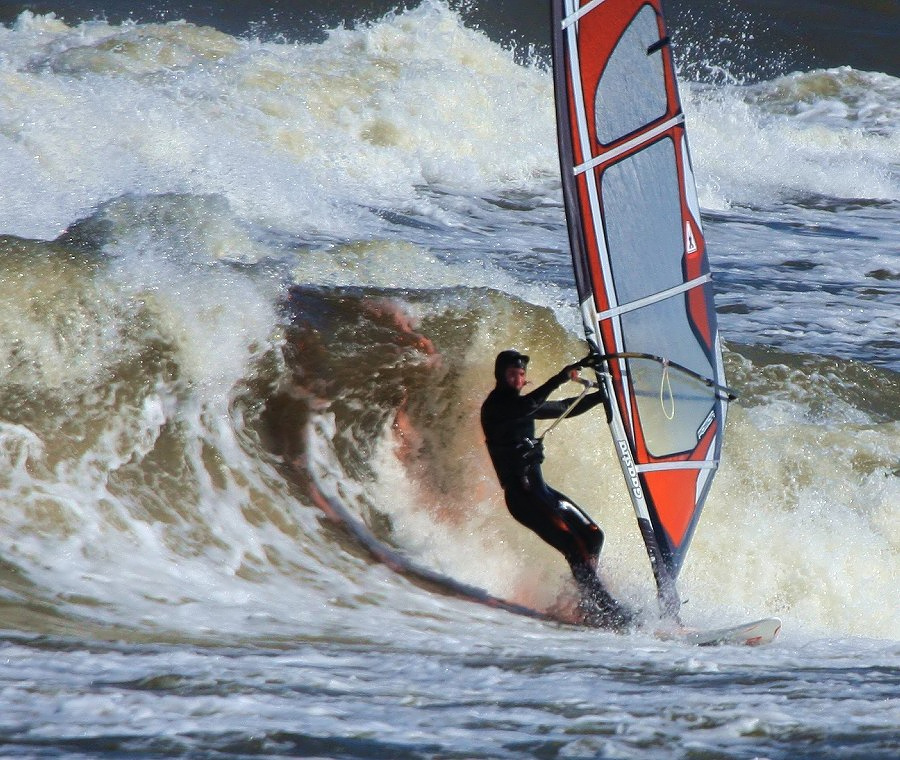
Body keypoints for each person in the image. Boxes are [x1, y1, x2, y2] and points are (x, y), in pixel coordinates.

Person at [481, 349, 634, 630]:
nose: (518, 378)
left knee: (592, 537)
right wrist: (561, 377)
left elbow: (565, 406)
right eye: (512, 373)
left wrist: (603, 396)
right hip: (522, 496)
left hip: (542, 492)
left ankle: (587, 602)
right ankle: (606, 608)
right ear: (500, 375)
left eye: (522, 374)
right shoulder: (496, 407)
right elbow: (527, 407)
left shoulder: (523, 405)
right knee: (573, 547)